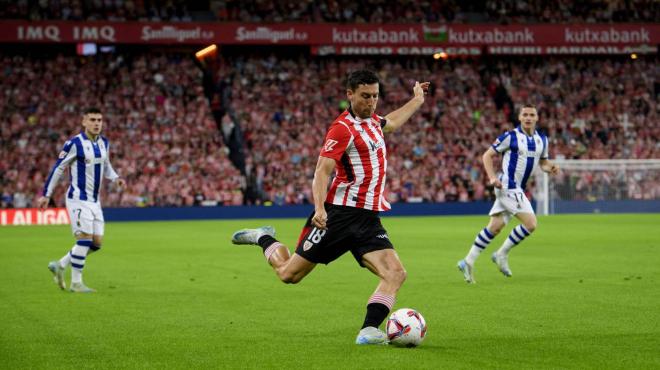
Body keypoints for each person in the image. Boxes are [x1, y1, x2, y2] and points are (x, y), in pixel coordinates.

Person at [231, 70, 430, 344]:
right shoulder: (342, 129)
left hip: (368, 219)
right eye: (365, 96)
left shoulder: (373, 122)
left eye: (375, 96)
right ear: (349, 94)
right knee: (289, 274)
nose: (371, 102)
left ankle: (369, 329)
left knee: (396, 274)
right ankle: (263, 237)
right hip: (337, 216)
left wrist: (417, 100)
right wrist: (320, 208)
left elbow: (392, 122)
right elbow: (322, 171)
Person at [457, 104, 559, 283]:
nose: (528, 117)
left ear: (537, 118)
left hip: (517, 188)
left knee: (495, 227)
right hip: (507, 185)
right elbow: (487, 155)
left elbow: (543, 163)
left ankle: (468, 261)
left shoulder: (542, 139)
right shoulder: (510, 136)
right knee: (531, 223)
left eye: (531, 115)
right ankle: (501, 254)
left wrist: (550, 167)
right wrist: (491, 178)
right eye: (525, 114)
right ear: (519, 117)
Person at [37, 108, 126, 293]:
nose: (96, 123)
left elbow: (106, 165)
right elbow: (58, 168)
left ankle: (60, 264)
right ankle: (76, 283)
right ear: (84, 122)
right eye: (92, 119)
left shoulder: (104, 143)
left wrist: (116, 178)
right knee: (84, 240)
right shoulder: (74, 143)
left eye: (99, 120)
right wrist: (47, 194)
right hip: (78, 199)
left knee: (96, 244)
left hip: (95, 201)